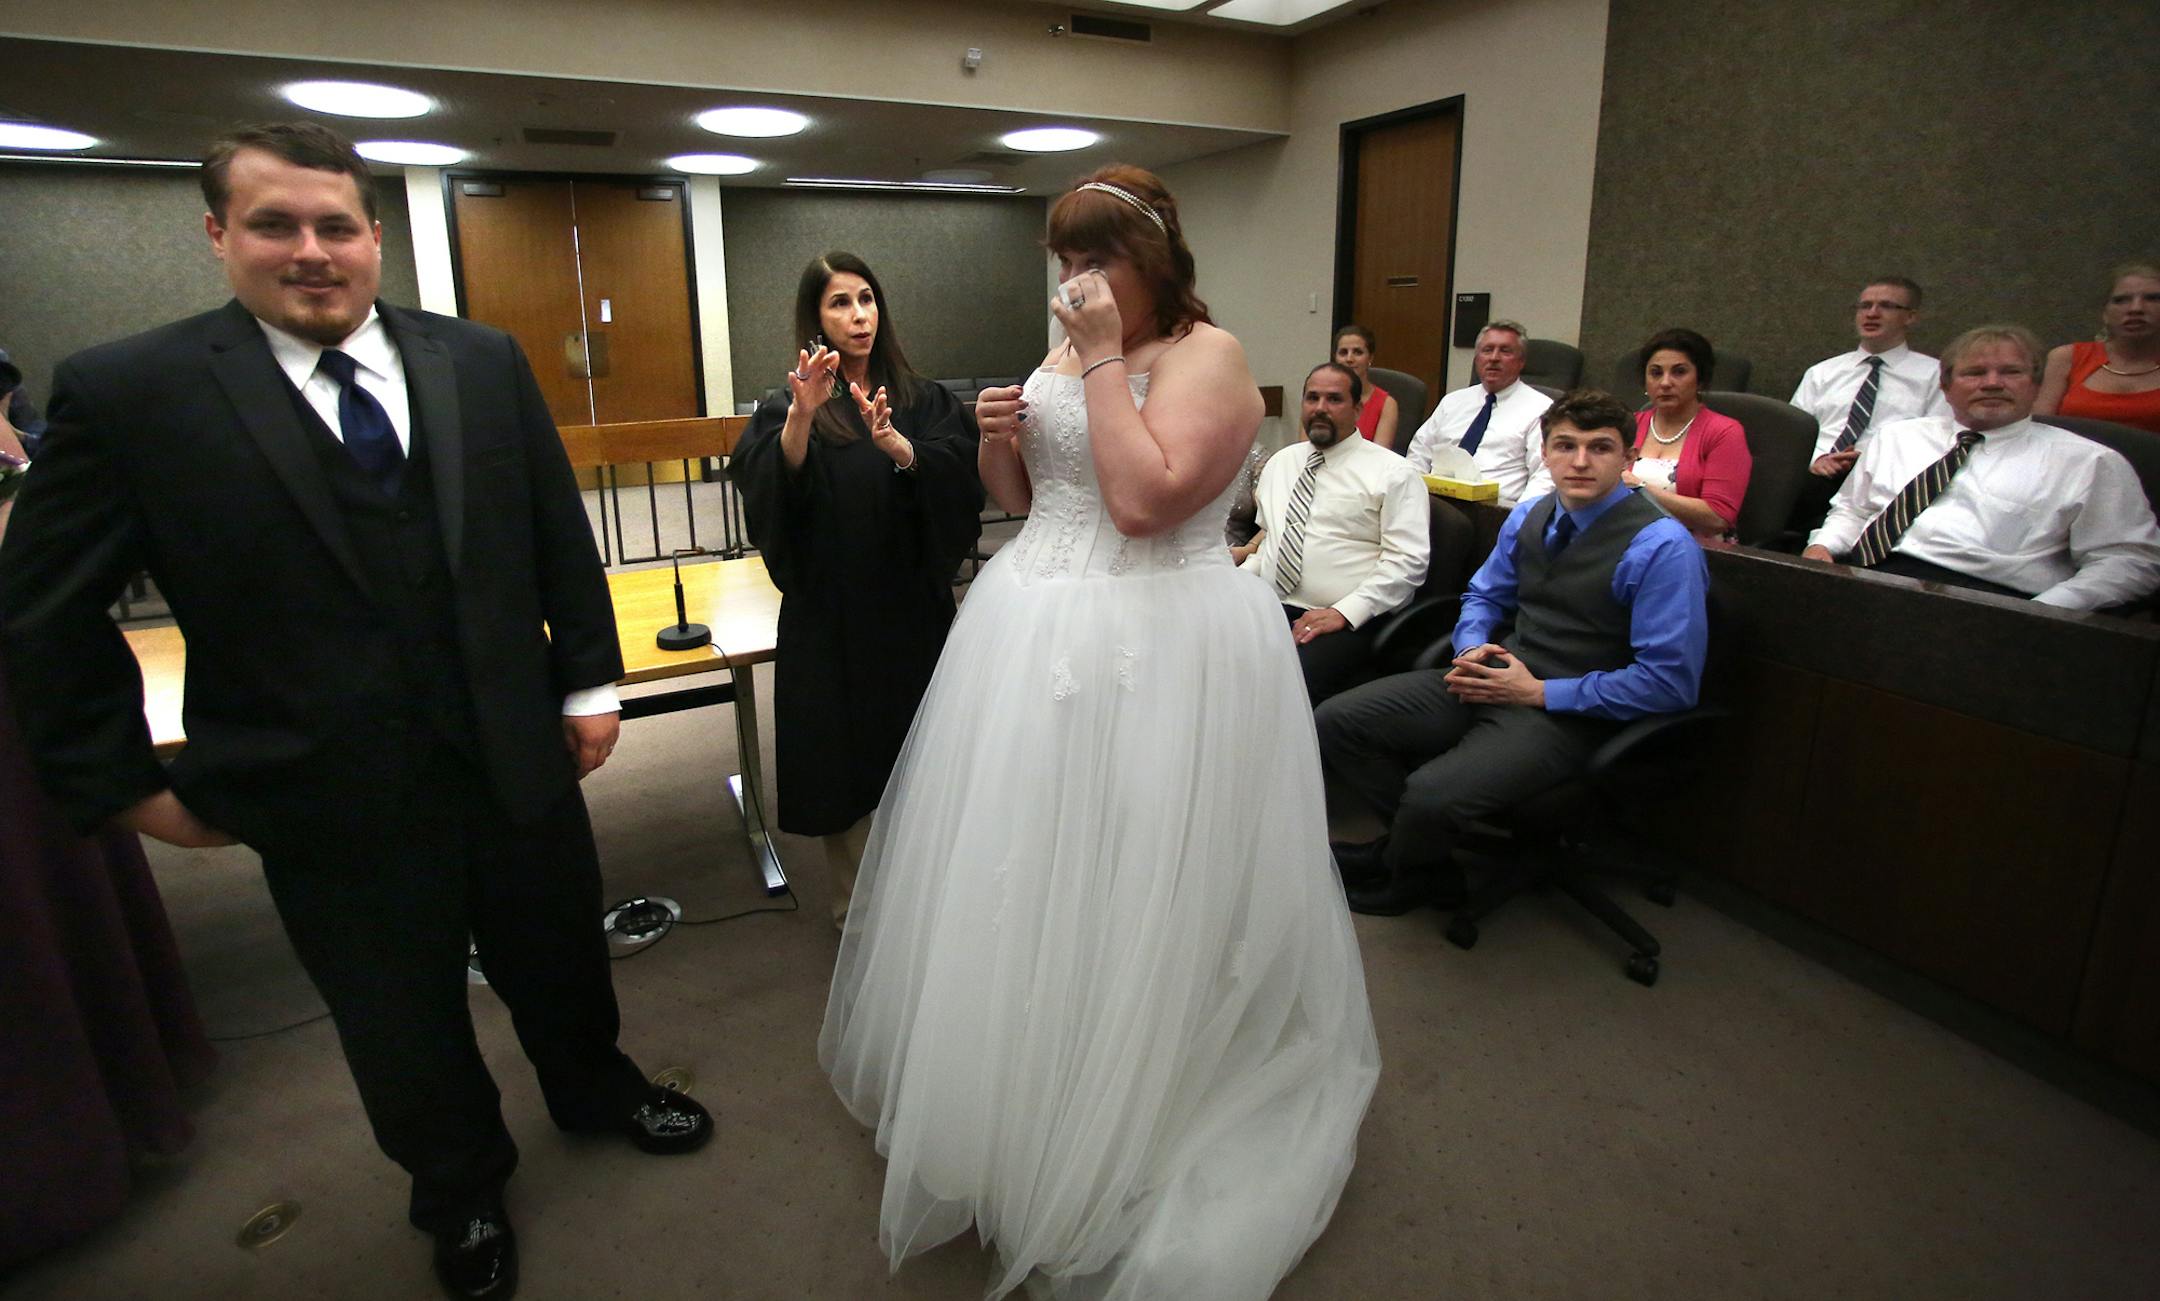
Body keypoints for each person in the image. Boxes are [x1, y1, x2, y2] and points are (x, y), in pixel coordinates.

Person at [0, 123, 709, 1300]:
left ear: (376, 236)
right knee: (397, 1013)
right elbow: (43, 610)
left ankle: (597, 1089)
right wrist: (124, 783)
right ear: (218, 234)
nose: (311, 250)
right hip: (321, 784)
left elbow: (552, 529)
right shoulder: (131, 392)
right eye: (274, 224)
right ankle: (460, 1185)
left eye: (336, 225)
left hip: (514, 749)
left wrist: (589, 683)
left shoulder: (479, 358)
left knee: (559, 955)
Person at [820, 165, 1379, 1300]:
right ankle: (1030, 1084)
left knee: (1144, 857)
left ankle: (1144, 1091)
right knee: (1033, 860)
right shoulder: (1070, 347)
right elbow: (1031, 500)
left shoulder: (1208, 356)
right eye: (1066, 260)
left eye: (1096, 258)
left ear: (1153, 260)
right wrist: (998, 437)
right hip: (1034, 621)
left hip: (1162, 635)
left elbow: (1141, 502)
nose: (1076, 281)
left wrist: (1108, 359)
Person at [1316, 389, 1708, 915]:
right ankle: (1416, 854)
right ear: (1544, 454)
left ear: (1628, 458)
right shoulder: (1530, 516)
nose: (1580, 461)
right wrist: (1473, 646)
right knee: (1337, 722)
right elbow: (1483, 596)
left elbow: (1669, 683)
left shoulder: (1662, 547)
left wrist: (1539, 692)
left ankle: (1410, 871)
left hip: (1573, 709)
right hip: (1497, 675)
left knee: (1431, 793)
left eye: (1600, 448)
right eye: (1565, 446)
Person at [730, 253, 982, 928]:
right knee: (842, 758)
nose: (858, 316)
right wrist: (801, 419)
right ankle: (859, 911)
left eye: (866, 299)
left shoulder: (923, 400)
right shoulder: (789, 407)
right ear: (815, 318)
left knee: (921, 751)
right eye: (840, 303)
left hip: (910, 611)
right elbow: (770, 494)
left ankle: (931, 901)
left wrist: (904, 450)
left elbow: (963, 480)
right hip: (831, 615)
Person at [1805, 325, 2160, 610]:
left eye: (2011, 372)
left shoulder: (2090, 462)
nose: (1992, 383)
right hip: (1866, 573)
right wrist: (1822, 547)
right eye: (1975, 373)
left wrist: (2048, 610)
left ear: (2035, 385)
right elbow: (1853, 510)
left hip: (1988, 599)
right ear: (1946, 386)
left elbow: (2129, 561)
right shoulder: (1897, 436)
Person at [1239, 360, 1429, 703]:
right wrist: (1237, 584)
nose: (1320, 408)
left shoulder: (1394, 473)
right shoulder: (1281, 463)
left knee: (1281, 684)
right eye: (1312, 398)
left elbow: (1408, 563)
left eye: (1334, 399)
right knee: (1210, 656)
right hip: (1272, 605)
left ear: (1358, 409)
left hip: (1349, 618)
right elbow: (1272, 543)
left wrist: (1345, 612)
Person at [1788, 277, 1948, 528]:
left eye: (1886, 306)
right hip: (1813, 476)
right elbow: (1791, 439)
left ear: (1910, 317)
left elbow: (1936, 443)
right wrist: (1816, 462)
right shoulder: (1822, 373)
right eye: (1865, 306)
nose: (1872, 314)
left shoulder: (1935, 376)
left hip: (1883, 481)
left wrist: (1869, 462)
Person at [1402, 319, 1556, 504]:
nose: (1494, 358)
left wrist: (1521, 516)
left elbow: (1544, 475)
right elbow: (1418, 453)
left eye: (1505, 351)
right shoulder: (1452, 402)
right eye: (1487, 350)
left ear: (1521, 361)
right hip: (1435, 502)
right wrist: (1410, 498)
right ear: (1477, 359)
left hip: (1494, 509)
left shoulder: (1540, 409)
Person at [1628, 327, 1752, 543]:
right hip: (1629, 539)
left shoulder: (1724, 432)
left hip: (1696, 548)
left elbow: (1718, 517)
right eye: (1656, 373)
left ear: (1700, 380)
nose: (1665, 382)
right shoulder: (1629, 424)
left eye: (1679, 372)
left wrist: (1640, 488)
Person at [2037, 262, 2160, 435]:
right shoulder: (2067, 358)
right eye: (2121, 300)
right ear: (2105, 313)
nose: (2136, 308)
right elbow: (2040, 429)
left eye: (2153, 298)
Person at [1331, 322, 1401, 448]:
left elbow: (1378, 456)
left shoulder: (1386, 404)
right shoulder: (1318, 399)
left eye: (1357, 352)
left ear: (1370, 358)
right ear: (1335, 358)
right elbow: (1306, 451)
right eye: (1343, 352)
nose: (1349, 359)